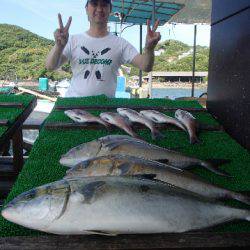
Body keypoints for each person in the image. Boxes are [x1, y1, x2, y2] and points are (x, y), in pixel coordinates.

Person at [46, 0, 161, 97]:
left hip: (105, 109)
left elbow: (145, 66)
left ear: (110, 9)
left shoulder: (120, 43)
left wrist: (149, 48)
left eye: (104, 5)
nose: (99, 9)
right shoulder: (72, 40)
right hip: (73, 105)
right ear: (86, 8)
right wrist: (59, 46)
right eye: (95, 4)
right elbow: (50, 66)